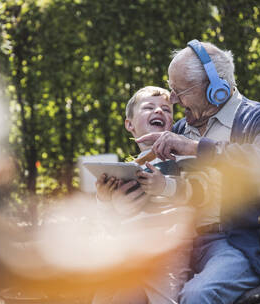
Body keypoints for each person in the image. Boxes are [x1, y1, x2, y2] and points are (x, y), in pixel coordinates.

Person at [136, 40, 260, 304]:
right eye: (171, 90)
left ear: (216, 88)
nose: (174, 100)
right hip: (182, 241)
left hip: (240, 243)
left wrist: (195, 147)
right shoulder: (180, 129)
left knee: (198, 296)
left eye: (180, 91)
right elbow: (163, 189)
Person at [93, 86, 219, 304]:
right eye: (149, 107)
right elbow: (109, 221)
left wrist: (166, 185)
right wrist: (104, 199)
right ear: (129, 124)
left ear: (171, 124)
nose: (159, 112)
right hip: (129, 250)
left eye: (166, 110)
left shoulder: (180, 158)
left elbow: (196, 193)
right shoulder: (126, 169)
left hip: (168, 248)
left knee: (164, 298)